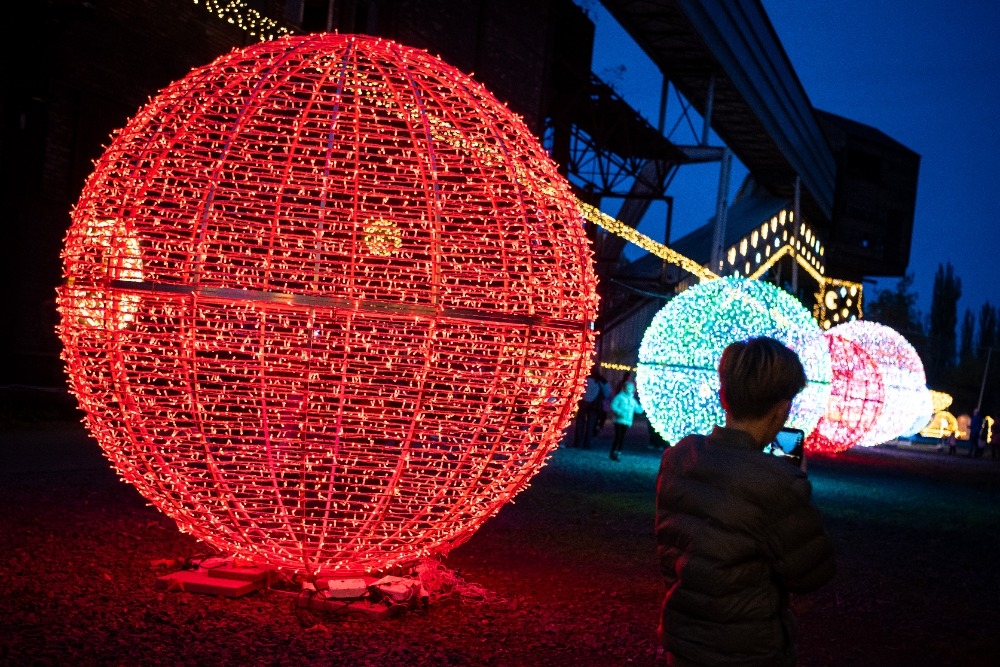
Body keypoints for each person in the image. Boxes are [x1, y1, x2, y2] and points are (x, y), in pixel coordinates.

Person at [655, 336, 835, 666]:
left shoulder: (679, 458)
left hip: (682, 642)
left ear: (723, 396)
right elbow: (812, 574)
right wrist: (797, 485)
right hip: (746, 652)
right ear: (782, 409)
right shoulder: (777, 483)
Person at [608, 372, 643, 461]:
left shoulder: (632, 400)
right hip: (619, 420)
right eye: (628, 388)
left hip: (627, 421)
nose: (630, 390)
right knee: (618, 436)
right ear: (624, 388)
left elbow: (637, 409)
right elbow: (613, 405)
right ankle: (613, 452)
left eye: (631, 388)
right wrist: (619, 412)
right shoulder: (620, 397)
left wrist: (643, 407)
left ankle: (618, 452)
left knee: (622, 437)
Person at [571, 369, 601, 449]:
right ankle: (587, 443)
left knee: (580, 422)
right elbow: (606, 393)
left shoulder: (583, 380)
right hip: (593, 405)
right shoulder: (598, 381)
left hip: (583, 402)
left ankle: (578, 442)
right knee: (590, 424)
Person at [593, 372, 612, 436]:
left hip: (598, 404)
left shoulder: (596, 383)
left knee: (597, 418)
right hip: (603, 405)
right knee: (601, 418)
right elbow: (608, 394)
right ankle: (597, 429)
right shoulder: (605, 384)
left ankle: (596, 429)